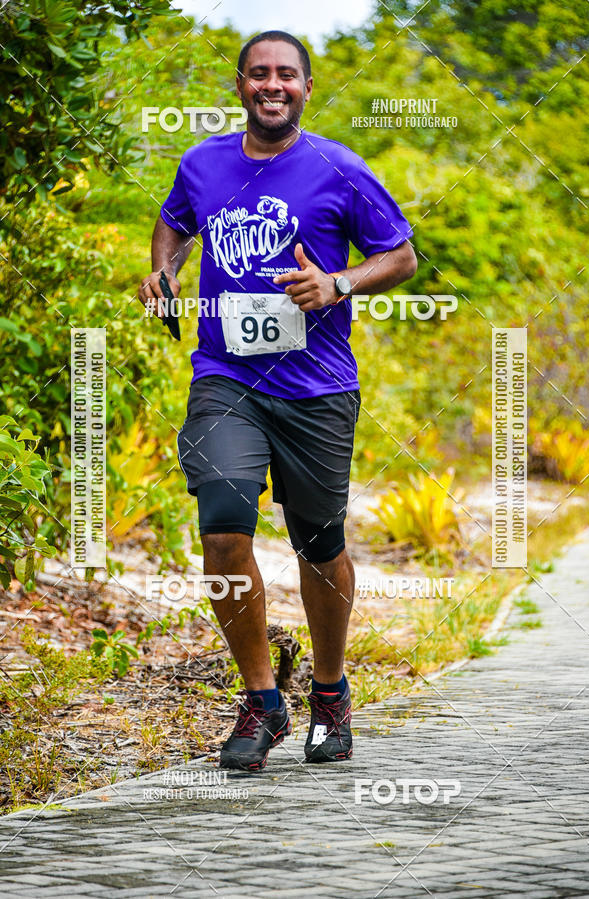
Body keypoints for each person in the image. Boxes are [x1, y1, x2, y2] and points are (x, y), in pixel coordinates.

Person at [138, 30, 417, 771]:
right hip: (225, 377)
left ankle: (330, 691)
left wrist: (339, 283)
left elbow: (401, 254)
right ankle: (262, 701)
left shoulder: (339, 168)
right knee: (224, 526)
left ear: (306, 87)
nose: (272, 85)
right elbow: (173, 223)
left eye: (286, 74)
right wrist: (162, 272)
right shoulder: (202, 163)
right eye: (258, 73)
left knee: (318, 545)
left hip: (317, 387)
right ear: (239, 85)